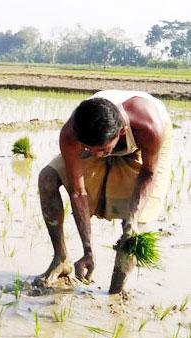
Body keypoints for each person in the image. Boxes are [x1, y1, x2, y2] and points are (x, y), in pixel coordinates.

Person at [36, 90, 172, 294]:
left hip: (144, 145)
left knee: (134, 226)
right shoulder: (73, 132)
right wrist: (88, 250)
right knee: (47, 178)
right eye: (89, 149)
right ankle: (61, 259)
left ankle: (116, 291)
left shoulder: (149, 127)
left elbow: (148, 174)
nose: (96, 155)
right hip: (99, 135)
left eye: (102, 150)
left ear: (122, 132)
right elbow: (77, 192)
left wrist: (133, 220)